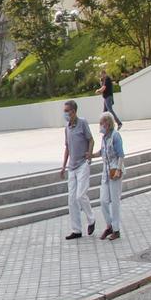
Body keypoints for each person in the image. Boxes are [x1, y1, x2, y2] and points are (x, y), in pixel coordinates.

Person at [59, 101, 95, 240]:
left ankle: (91, 220)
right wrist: (63, 166)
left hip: (82, 164)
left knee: (81, 195)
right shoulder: (67, 128)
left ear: (73, 111)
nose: (65, 113)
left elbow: (91, 140)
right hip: (72, 167)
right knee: (71, 199)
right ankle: (76, 230)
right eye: (64, 111)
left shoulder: (83, 123)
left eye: (67, 111)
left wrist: (89, 155)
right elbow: (67, 147)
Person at [98, 111, 125, 240]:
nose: (100, 126)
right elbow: (102, 151)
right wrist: (91, 155)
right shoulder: (104, 137)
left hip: (115, 170)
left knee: (115, 201)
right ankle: (109, 225)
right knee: (103, 200)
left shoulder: (115, 136)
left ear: (107, 124)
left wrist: (119, 169)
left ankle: (116, 229)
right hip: (106, 171)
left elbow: (121, 154)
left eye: (101, 123)